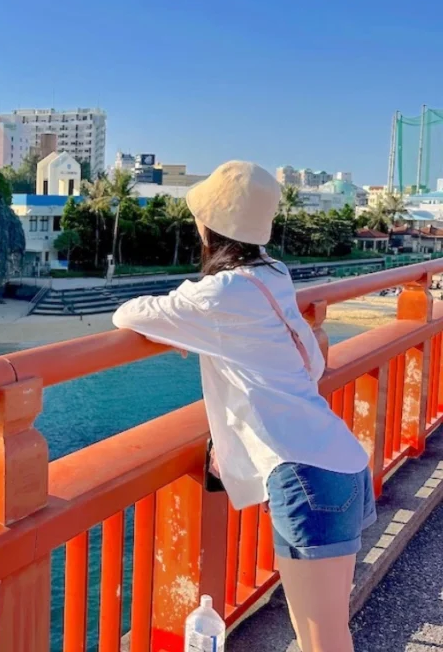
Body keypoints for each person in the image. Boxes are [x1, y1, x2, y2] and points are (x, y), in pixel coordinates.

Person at [112, 161, 374, 652]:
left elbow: (129, 313)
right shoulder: (272, 273)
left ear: (208, 225)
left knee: (322, 641)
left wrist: (190, 331)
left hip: (304, 477)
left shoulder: (221, 293)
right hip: (341, 461)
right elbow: (302, 360)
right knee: (330, 631)